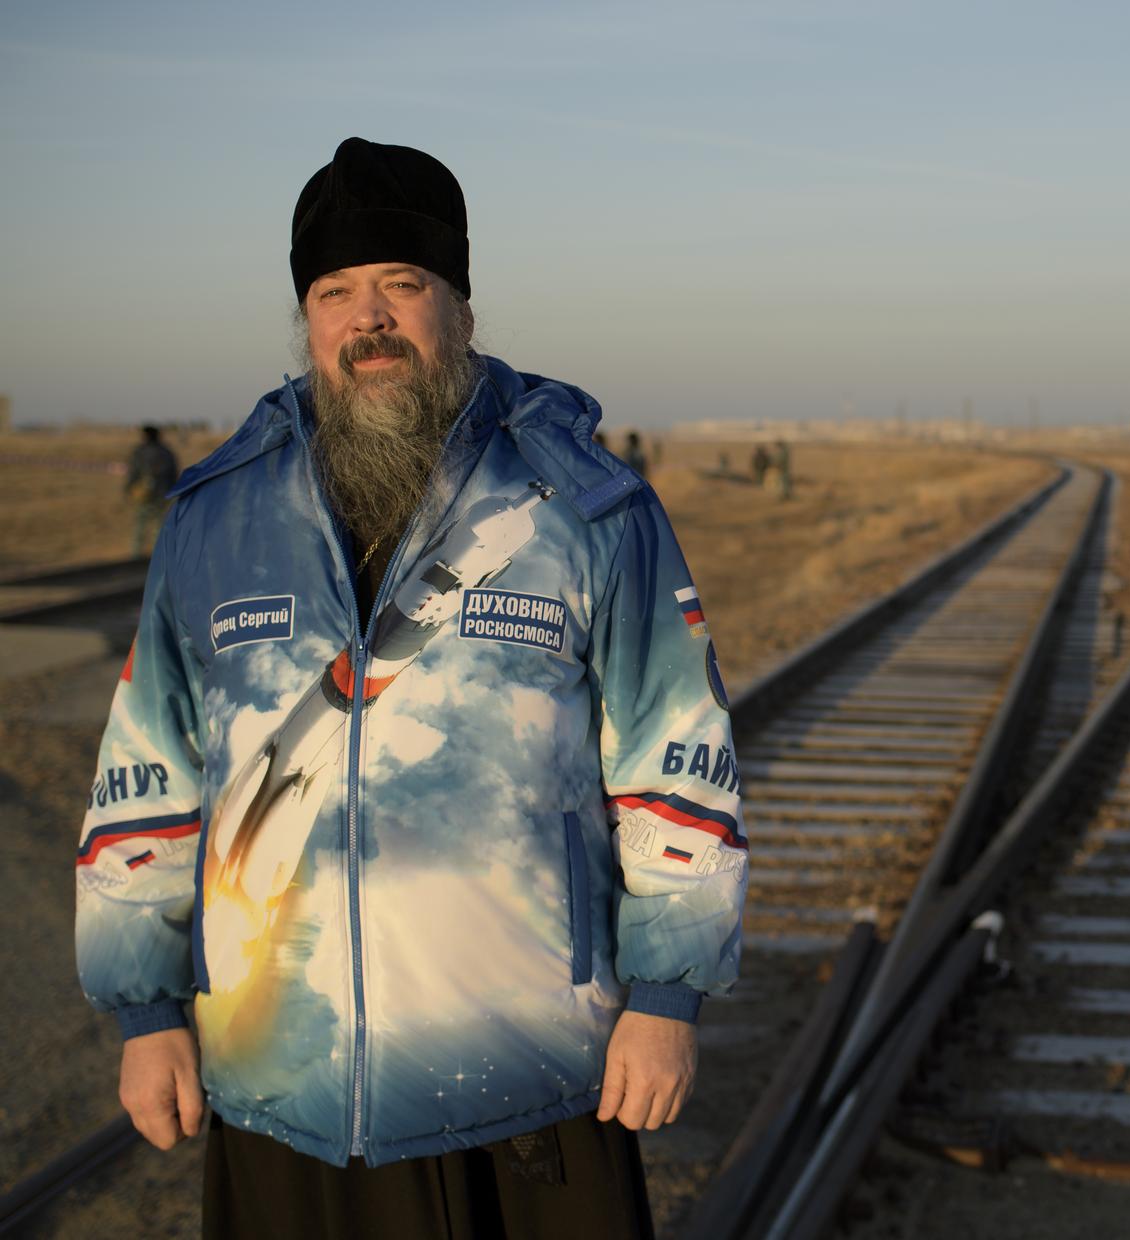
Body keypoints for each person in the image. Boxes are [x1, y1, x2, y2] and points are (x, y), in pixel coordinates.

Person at [74, 137, 747, 1239]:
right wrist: (145, 1012)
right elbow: (146, 773)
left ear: (459, 308)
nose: (367, 318)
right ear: (308, 320)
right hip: (282, 1071)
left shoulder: (583, 507)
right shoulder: (215, 518)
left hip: (528, 1070)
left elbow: (675, 755)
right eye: (335, 292)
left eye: (401, 284)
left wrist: (666, 1000)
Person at [123, 424, 179, 555]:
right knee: (159, 528)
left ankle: (135, 556)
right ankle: (158, 557)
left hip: (144, 496)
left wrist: (128, 489)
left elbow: (133, 473)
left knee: (140, 527)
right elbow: (174, 475)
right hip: (163, 494)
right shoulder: (167, 453)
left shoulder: (139, 452)